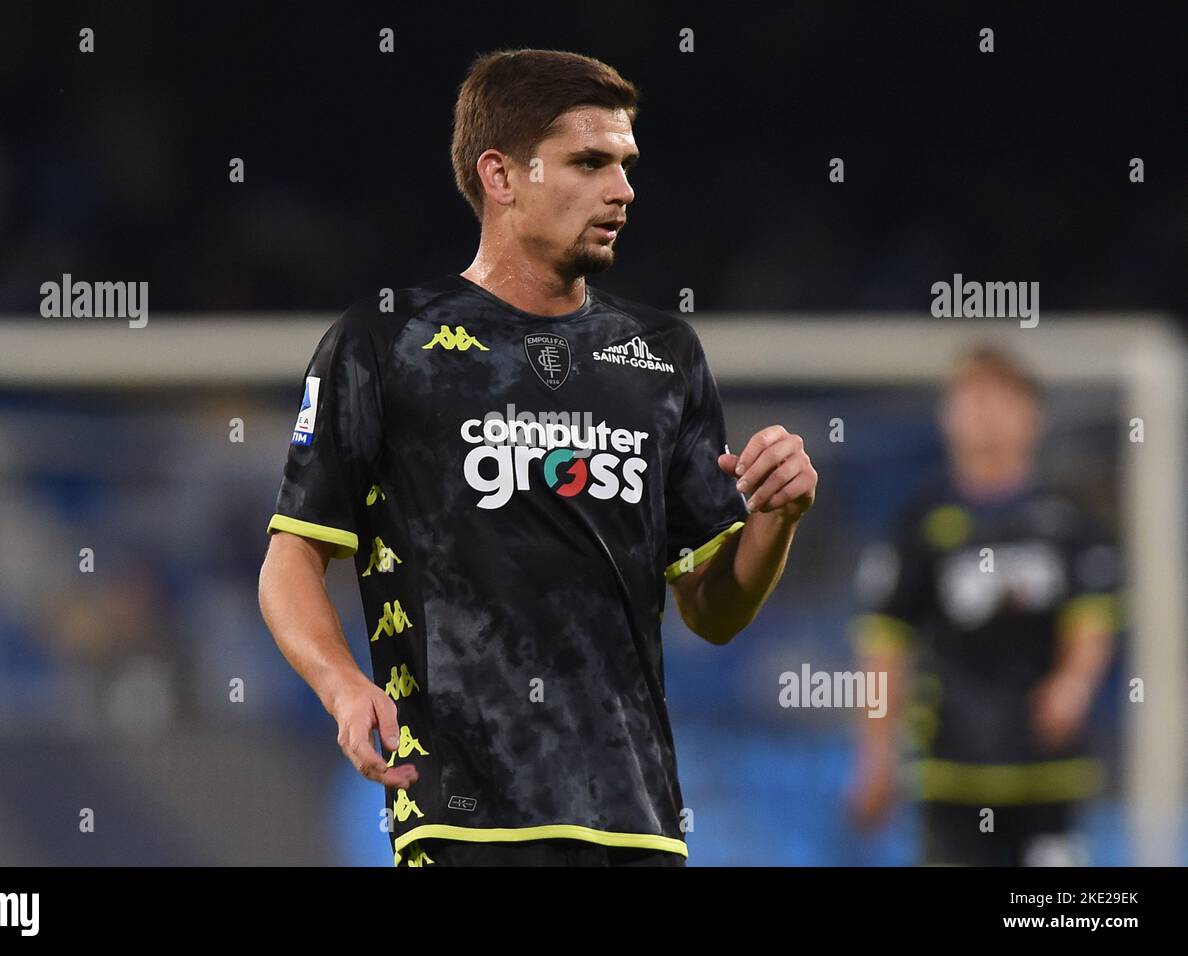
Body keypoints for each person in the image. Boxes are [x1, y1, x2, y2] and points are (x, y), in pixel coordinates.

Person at [257, 49, 817, 867]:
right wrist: (342, 686)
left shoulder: (664, 356)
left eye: (624, 165)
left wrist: (776, 520)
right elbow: (291, 558)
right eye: (589, 162)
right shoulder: (386, 344)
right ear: (501, 175)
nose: (621, 190)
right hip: (459, 812)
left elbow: (712, 609)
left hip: (635, 818)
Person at [847, 344, 1121, 865]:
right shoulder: (919, 524)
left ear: (1033, 416)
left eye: (1000, 399)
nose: (984, 414)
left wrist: (1073, 684)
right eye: (970, 399)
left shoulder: (1069, 522)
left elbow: (1092, 618)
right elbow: (885, 645)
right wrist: (876, 758)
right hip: (952, 772)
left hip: (1048, 773)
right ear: (946, 415)